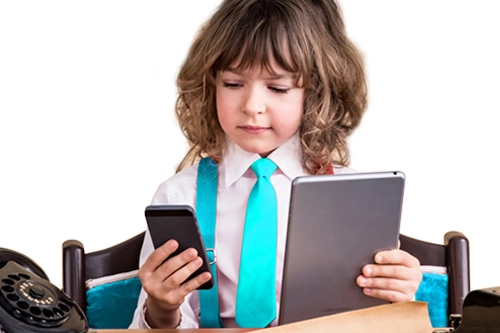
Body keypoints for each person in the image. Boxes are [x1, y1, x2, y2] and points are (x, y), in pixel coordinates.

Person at [130, 0, 422, 329]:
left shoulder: (355, 198)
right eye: (233, 84)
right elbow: (160, 321)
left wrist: (398, 297)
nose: (252, 106)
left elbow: (369, 322)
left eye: (278, 87)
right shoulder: (180, 196)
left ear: (315, 94)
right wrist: (161, 306)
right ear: (209, 85)